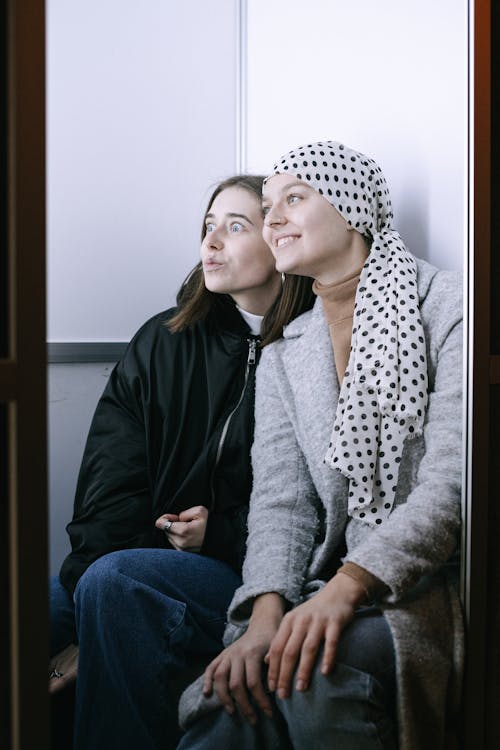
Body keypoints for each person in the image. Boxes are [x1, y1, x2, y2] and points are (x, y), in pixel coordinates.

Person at [177, 142, 464, 750]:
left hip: (418, 588)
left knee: (311, 671)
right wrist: (261, 620)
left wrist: (345, 589)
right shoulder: (286, 353)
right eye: (267, 205)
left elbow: (451, 485)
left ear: (353, 206)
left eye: (294, 199)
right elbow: (282, 505)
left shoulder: (448, 308)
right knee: (221, 695)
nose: (273, 218)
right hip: (319, 583)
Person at [48, 173, 315, 750]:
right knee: (39, 605)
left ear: (279, 240)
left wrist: (217, 534)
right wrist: (85, 591)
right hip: (139, 550)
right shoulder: (163, 340)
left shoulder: (310, 349)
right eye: (207, 225)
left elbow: (310, 506)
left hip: (246, 571)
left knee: (114, 582)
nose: (211, 242)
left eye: (235, 226)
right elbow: (109, 482)